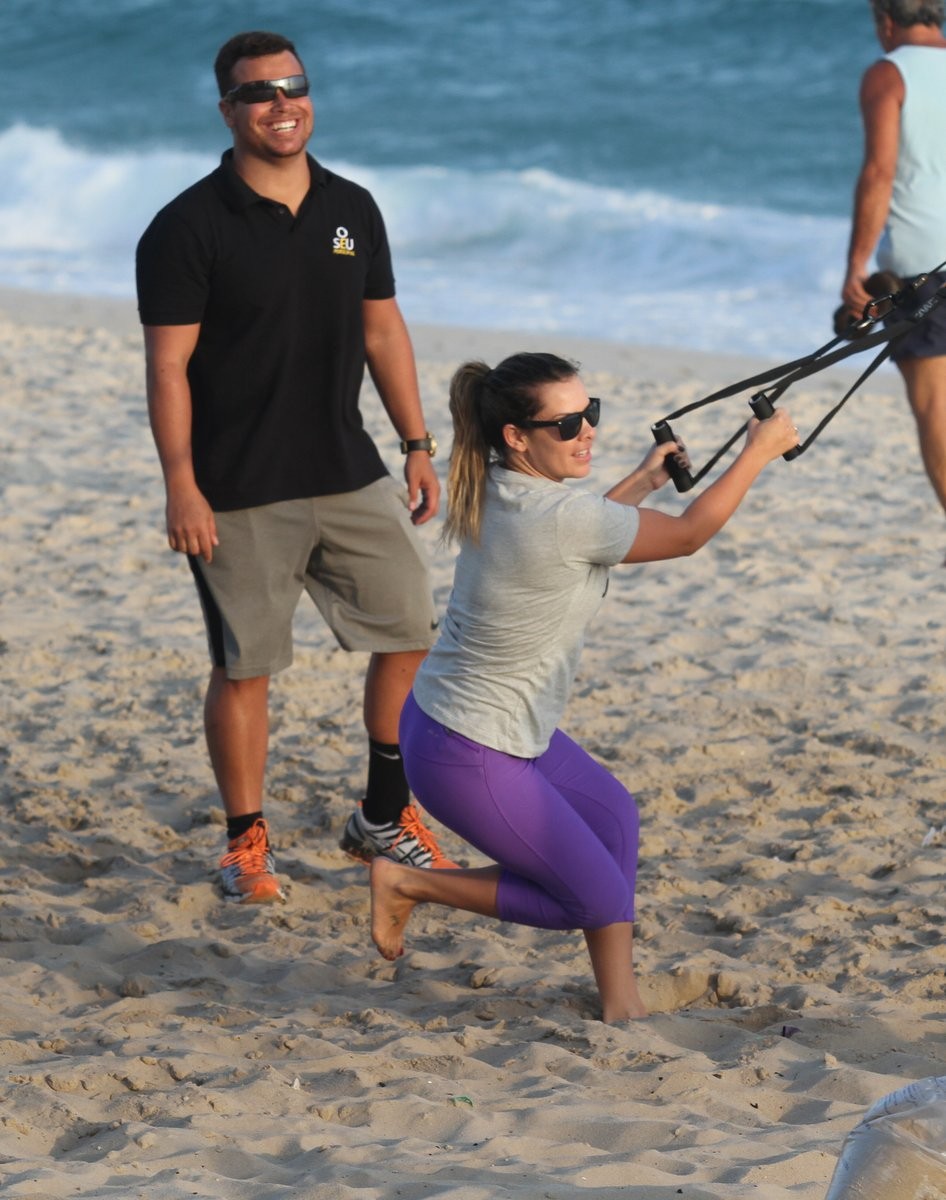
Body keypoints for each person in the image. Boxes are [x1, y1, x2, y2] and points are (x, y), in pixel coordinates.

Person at [368, 352, 798, 1022]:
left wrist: (640, 483)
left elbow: (571, 538)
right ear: (517, 436)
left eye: (589, 413)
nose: (587, 431)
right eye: (567, 424)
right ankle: (412, 882)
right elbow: (687, 536)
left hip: (478, 722)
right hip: (467, 746)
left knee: (614, 820)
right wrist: (759, 452)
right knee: (589, 898)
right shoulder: (564, 517)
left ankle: (621, 1003)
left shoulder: (502, 483)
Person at [135, 30, 456, 905]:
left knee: (411, 632)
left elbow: (384, 329)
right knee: (247, 668)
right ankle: (246, 846)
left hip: (347, 467)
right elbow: (168, 368)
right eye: (259, 93)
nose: (282, 105)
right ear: (227, 111)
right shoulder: (186, 227)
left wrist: (417, 443)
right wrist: (180, 482)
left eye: (294, 87)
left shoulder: (353, 207)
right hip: (235, 485)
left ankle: (384, 812)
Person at [842, 0, 946, 527]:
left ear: (885, 19)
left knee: (935, 407)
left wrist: (856, 268)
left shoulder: (889, 73)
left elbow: (880, 172)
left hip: (923, 265)